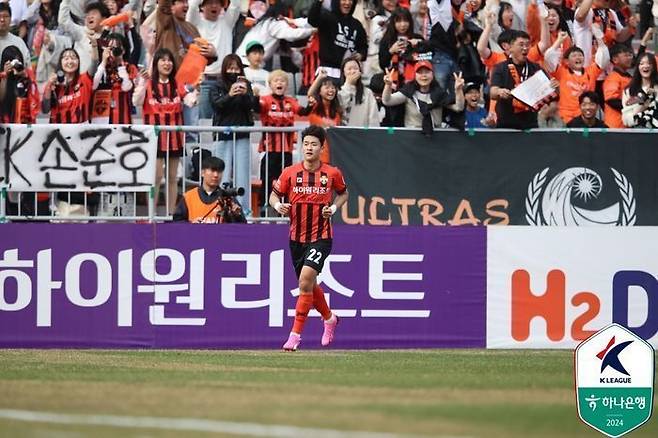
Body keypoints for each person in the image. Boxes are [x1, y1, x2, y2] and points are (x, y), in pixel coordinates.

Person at [269, 125, 349, 351]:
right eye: (306, 144)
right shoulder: (289, 173)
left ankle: (294, 336)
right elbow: (274, 195)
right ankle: (330, 318)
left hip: (321, 236)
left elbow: (344, 193)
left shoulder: (332, 173)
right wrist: (279, 206)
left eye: (314, 144)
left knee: (304, 281)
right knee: (309, 285)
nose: (309, 148)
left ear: (322, 148)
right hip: (296, 238)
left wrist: (333, 209)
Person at [133, 47, 198, 215]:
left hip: (175, 138)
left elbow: (191, 101)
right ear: (156, 64)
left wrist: (197, 88)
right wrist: (142, 82)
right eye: (163, 60)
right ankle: (151, 214)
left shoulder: (178, 84)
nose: (167, 63)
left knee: (172, 177)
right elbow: (136, 101)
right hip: (155, 139)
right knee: (155, 177)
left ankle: (170, 214)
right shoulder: (148, 84)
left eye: (169, 60)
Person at [209, 53, 259, 211]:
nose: (233, 71)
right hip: (223, 134)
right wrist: (230, 95)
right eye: (230, 67)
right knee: (220, 173)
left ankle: (244, 210)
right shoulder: (216, 85)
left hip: (242, 134)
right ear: (224, 68)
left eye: (236, 67)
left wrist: (246, 95)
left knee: (242, 174)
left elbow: (252, 106)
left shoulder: (246, 84)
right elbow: (216, 105)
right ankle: (218, 207)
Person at [256, 69, 305, 215]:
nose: (279, 83)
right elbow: (257, 108)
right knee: (266, 182)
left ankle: (283, 213)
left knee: (285, 183)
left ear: (287, 84)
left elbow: (303, 112)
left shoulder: (291, 101)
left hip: (286, 150)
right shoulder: (265, 99)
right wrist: (253, 95)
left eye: (282, 80)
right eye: (276, 80)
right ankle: (264, 211)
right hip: (269, 150)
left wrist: (310, 103)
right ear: (270, 84)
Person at [490, 30, 558, 130]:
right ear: (511, 47)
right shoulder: (500, 68)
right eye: (521, 45)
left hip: (530, 124)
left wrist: (554, 87)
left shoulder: (536, 68)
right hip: (506, 124)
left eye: (527, 45)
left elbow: (551, 93)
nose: (525, 48)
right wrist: (500, 92)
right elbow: (492, 92)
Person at [186, 0, 240, 119]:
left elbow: (236, 4)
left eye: (218, 3)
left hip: (225, 81)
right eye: (210, 2)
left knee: (225, 120)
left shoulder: (227, 22)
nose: (214, 6)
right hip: (203, 81)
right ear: (203, 6)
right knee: (204, 121)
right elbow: (193, 4)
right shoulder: (195, 22)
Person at [382, 60, 465, 134]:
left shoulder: (439, 94)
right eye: (420, 72)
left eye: (427, 72)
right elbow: (387, 101)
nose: (424, 75)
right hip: (411, 136)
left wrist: (459, 90)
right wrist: (388, 85)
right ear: (415, 75)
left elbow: (459, 107)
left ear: (432, 74)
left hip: (436, 137)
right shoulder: (408, 92)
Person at [308, 0, 368, 81]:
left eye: (350, 0)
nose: (347, 3)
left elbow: (363, 46)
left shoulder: (357, 25)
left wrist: (361, 55)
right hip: (328, 71)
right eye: (344, 0)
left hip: (349, 73)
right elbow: (312, 20)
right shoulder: (327, 17)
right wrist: (318, 2)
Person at [173, 156, 245, 223]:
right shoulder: (189, 197)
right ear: (202, 173)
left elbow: (241, 227)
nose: (216, 175)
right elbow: (176, 223)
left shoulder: (228, 199)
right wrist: (191, 225)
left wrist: (237, 216)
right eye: (212, 171)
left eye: (219, 171)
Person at [338, 56, 380, 127]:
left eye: (356, 68)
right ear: (343, 72)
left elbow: (373, 117)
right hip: (344, 134)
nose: (353, 71)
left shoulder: (367, 92)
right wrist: (349, 84)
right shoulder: (339, 91)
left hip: (363, 134)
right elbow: (342, 106)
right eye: (349, 69)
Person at [622, 53, 658, 128]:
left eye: (649, 63)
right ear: (638, 67)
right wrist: (642, 107)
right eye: (641, 64)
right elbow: (626, 120)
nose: (646, 66)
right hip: (638, 134)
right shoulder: (629, 90)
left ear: (654, 67)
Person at [603, 43, 633, 128]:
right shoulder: (613, 77)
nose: (629, 58)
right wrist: (632, 107)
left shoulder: (629, 77)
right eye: (626, 55)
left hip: (626, 125)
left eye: (630, 55)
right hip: (615, 125)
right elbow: (611, 100)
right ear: (615, 59)